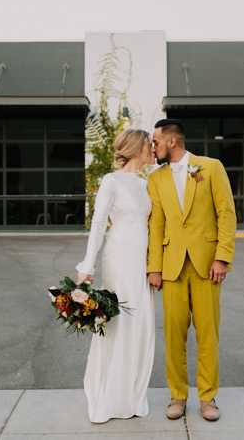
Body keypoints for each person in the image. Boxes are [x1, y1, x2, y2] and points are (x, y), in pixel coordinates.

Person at [147, 118, 236, 422]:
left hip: (206, 265)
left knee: (208, 335)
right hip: (171, 267)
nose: (152, 147)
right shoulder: (155, 178)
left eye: (155, 142)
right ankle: (178, 395)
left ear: (172, 141)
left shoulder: (209, 167)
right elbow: (156, 225)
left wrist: (222, 257)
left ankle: (208, 398)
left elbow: (226, 214)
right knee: (173, 335)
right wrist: (154, 268)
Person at [75, 129, 156, 423]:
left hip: (142, 265)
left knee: (141, 326)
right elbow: (98, 224)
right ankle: (110, 397)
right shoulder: (111, 180)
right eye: (150, 145)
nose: (153, 149)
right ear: (137, 148)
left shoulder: (147, 183)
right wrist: (87, 266)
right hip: (119, 261)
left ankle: (133, 396)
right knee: (118, 326)